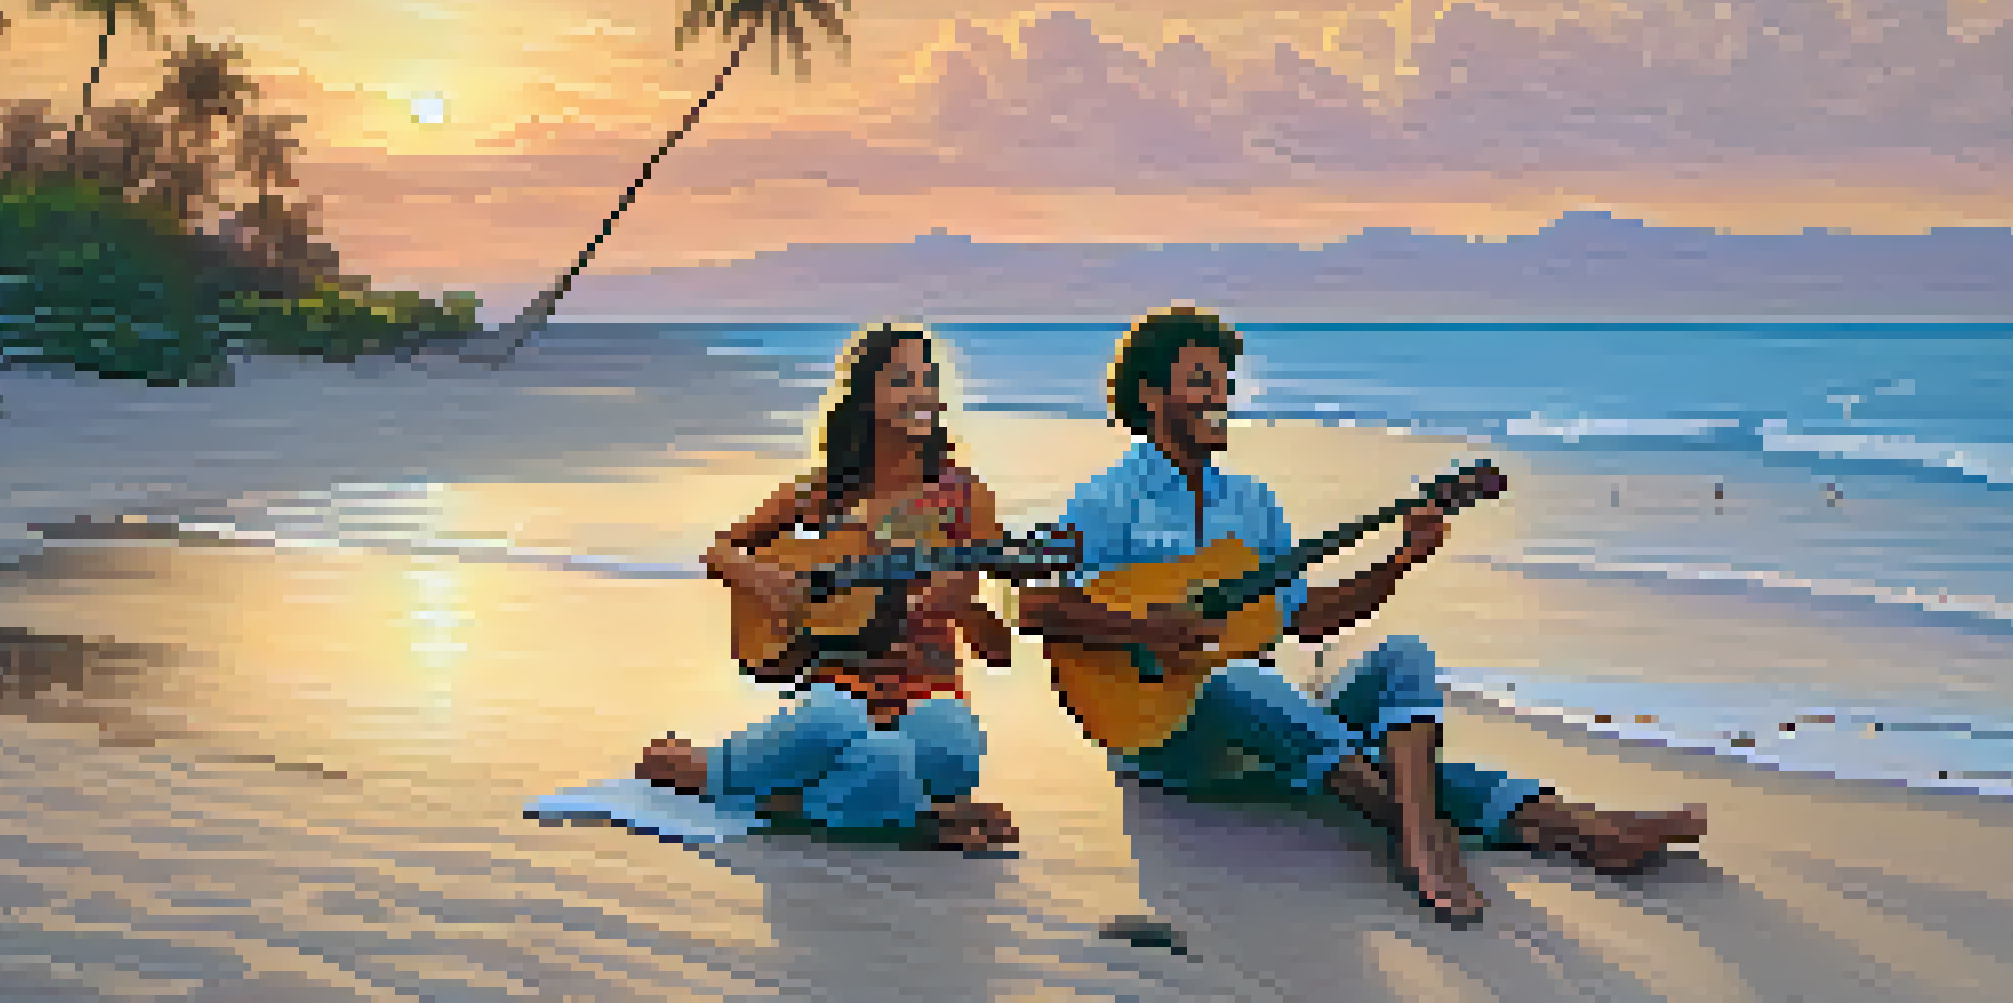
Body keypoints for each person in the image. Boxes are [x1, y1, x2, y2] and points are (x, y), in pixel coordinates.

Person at [1017, 306, 1705, 921]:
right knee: (1235, 681)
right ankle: (1443, 833)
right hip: (1158, 737)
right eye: (1200, 379)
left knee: (1401, 657)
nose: (1219, 394)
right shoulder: (1109, 499)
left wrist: (1401, 562)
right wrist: (1148, 631)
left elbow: (1306, 618)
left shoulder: (1252, 503)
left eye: (1225, 380)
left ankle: (1580, 831)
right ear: (1150, 393)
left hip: (1272, 726)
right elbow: (1039, 606)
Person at [635, 323, 1022, 853]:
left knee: (951, 750)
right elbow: (721, 551)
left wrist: (965, 608)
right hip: (838, 689)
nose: (922, 394)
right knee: (840, 726)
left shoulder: (964, 497)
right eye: (903, 380)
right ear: (866, 400)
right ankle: (711, 772)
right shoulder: (822, 492)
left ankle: (792, 799)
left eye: (929, 380)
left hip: (929, 689)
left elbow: (997, 653)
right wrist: (766, 582)